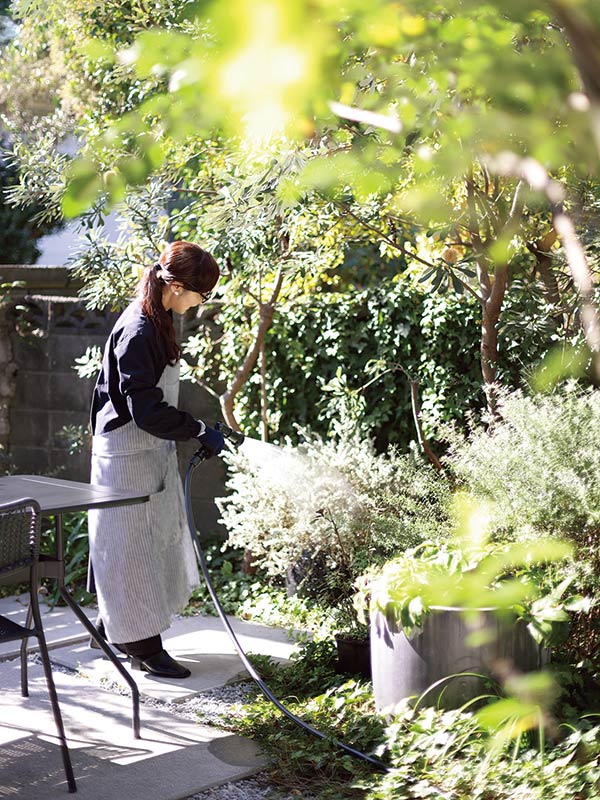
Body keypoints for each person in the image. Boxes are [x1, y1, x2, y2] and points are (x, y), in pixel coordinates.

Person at [87, 240, 225, 679]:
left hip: (145, 453)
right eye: (202, 294)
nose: (202, 302)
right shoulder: (139, 330)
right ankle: (142, 646)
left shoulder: (159, 317)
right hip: (125, 455)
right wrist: (196, 429)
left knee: (139, 547)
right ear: (177, 286)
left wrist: (191, 429)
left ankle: (111, 628)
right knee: (128, 551)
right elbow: (145, 410)